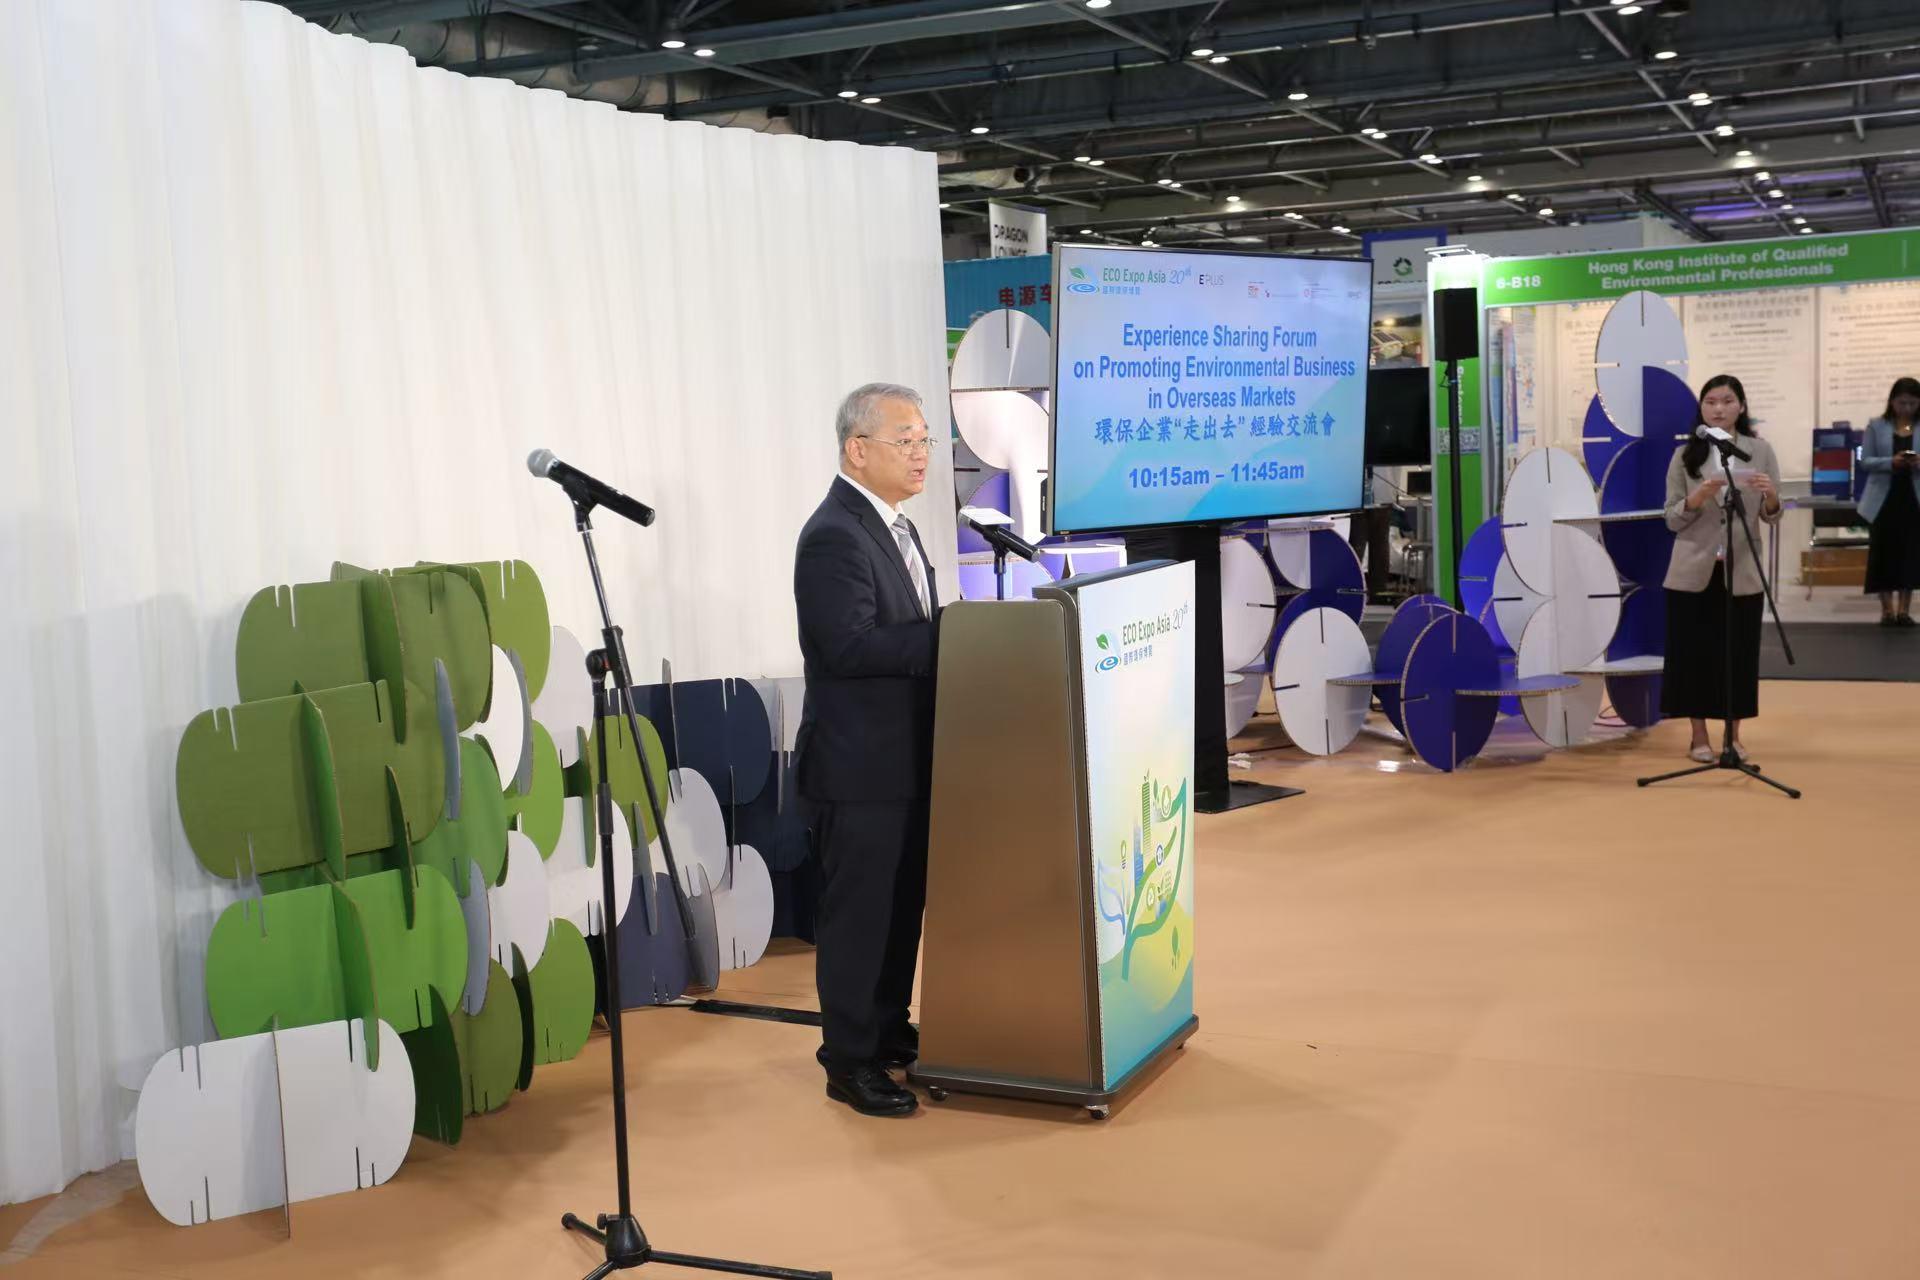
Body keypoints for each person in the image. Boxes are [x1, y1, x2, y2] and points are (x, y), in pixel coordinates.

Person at [793, 383, 941, 1119]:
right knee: (858, 920)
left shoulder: (896, 527)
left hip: (907, 762)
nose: (920, 454)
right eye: (905, 440)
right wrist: (956, 635)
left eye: (924, 440)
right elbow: (848, 646)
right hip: (857, 769)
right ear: (859, 449)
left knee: (899, 911)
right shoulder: (834, 535)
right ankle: (848, 1061)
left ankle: (886, 1029)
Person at [1661, 374, 1782, 763]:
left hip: (1742, 570)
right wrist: (1697, 497)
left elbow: (1772, 516)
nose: (1718, 408)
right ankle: (1698, 737)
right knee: (1693, 656)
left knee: (1739, 656)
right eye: (1710, 401)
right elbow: (1671, 518)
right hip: (1693, 570)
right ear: (1701, 408)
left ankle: (1734, 737)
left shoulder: (1758, 450)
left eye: (1727, 401)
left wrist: (1771, 496)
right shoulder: (1684, 456)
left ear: (1741, 407)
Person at [1859, 376, 1920, 627]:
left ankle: (1904, 610)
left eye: (1913, 403)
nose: (1907, 408)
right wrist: (1890, 462)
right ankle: (1887, 611)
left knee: (1911, 554)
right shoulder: (1876, 426)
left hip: (1913, 499)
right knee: (1883, 554)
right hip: (1884, 500)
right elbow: (1865, 462)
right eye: (1902, 403)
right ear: (1892, 401)